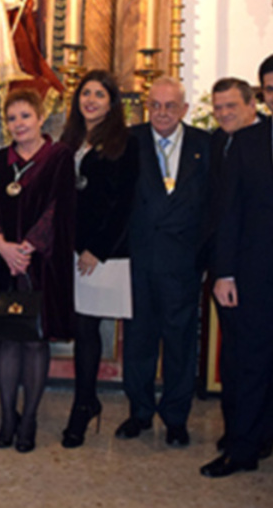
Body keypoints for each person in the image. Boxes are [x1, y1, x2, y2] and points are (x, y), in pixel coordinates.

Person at [0, 88, 75, 453]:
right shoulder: (0, 160)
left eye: (26, 116)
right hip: (2, 262)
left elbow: (60, 208)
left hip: (41, 263)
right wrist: (0, 244)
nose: (19, 124)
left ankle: (29, 419)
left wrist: (28, 247)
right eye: (12, 118)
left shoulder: (59, 157)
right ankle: (7, 419)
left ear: (41, 118)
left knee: (35, 341)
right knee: (8, 339)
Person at [115, 76, 210, 447]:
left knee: (180, 343)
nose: (162, 113)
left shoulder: (205, 144)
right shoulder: (129, 141)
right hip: (139, 260)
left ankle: (176, 418)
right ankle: (139, 412)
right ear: (146, 107)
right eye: (155, 105)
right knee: (138, 340)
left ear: (184, 109)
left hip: (183, 263)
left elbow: (213, 205)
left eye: (170, 106)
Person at [201, 57, 273, 477]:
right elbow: (228, 212)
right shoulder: (247, 142)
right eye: (270, 88)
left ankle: (263, 434)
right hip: (252, 273)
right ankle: (242, 446)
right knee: (247, 361)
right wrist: (224, 272)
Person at [59, 70, 139, 448]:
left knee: (88, 326)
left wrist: (97, 249)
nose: (90, 100)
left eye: (99, 95)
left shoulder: (125, 142)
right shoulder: (70, 139)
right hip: (71, 249)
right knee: (81, 327)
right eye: (85, 93)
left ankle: (83, 405)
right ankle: (87, 400)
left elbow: (124, 203)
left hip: (103, 254)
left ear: (112, 103)